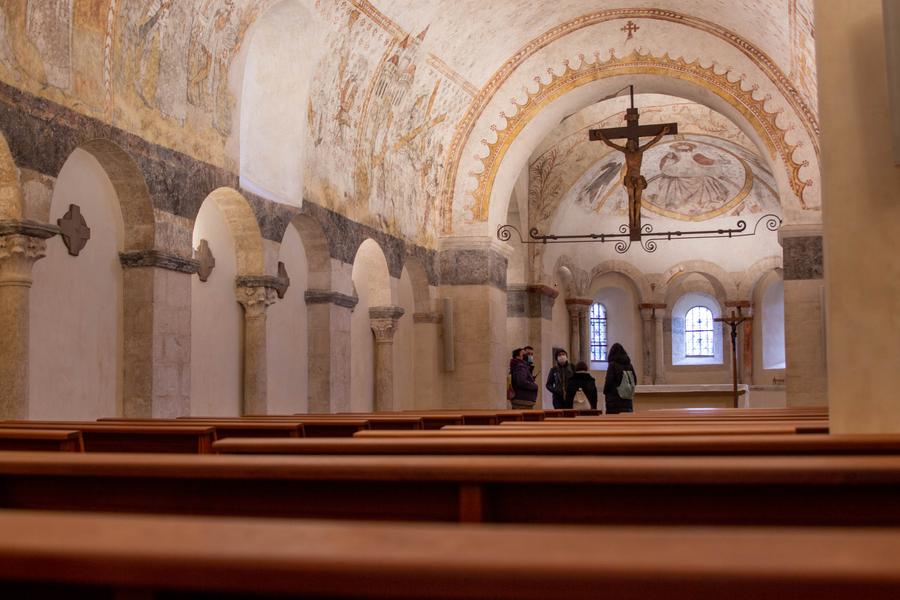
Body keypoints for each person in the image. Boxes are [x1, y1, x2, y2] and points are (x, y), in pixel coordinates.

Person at [603, 343, 637, 414]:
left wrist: (605, 392)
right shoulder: (629, 365)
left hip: (614, 402)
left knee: (613, 423)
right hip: (627, 401)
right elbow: (635, 381)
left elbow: (609, 382)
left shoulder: (612, 365)